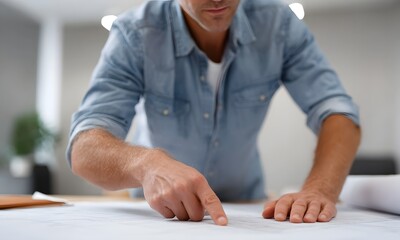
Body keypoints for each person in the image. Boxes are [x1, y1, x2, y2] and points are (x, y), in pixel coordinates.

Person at [67, 0, 361, 226]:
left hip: (248, 207)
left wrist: (320, 190)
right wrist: (145, 164)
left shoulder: (279, 25)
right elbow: (84, 146)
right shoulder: (135, 34)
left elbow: (337, 111)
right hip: (160, 214)